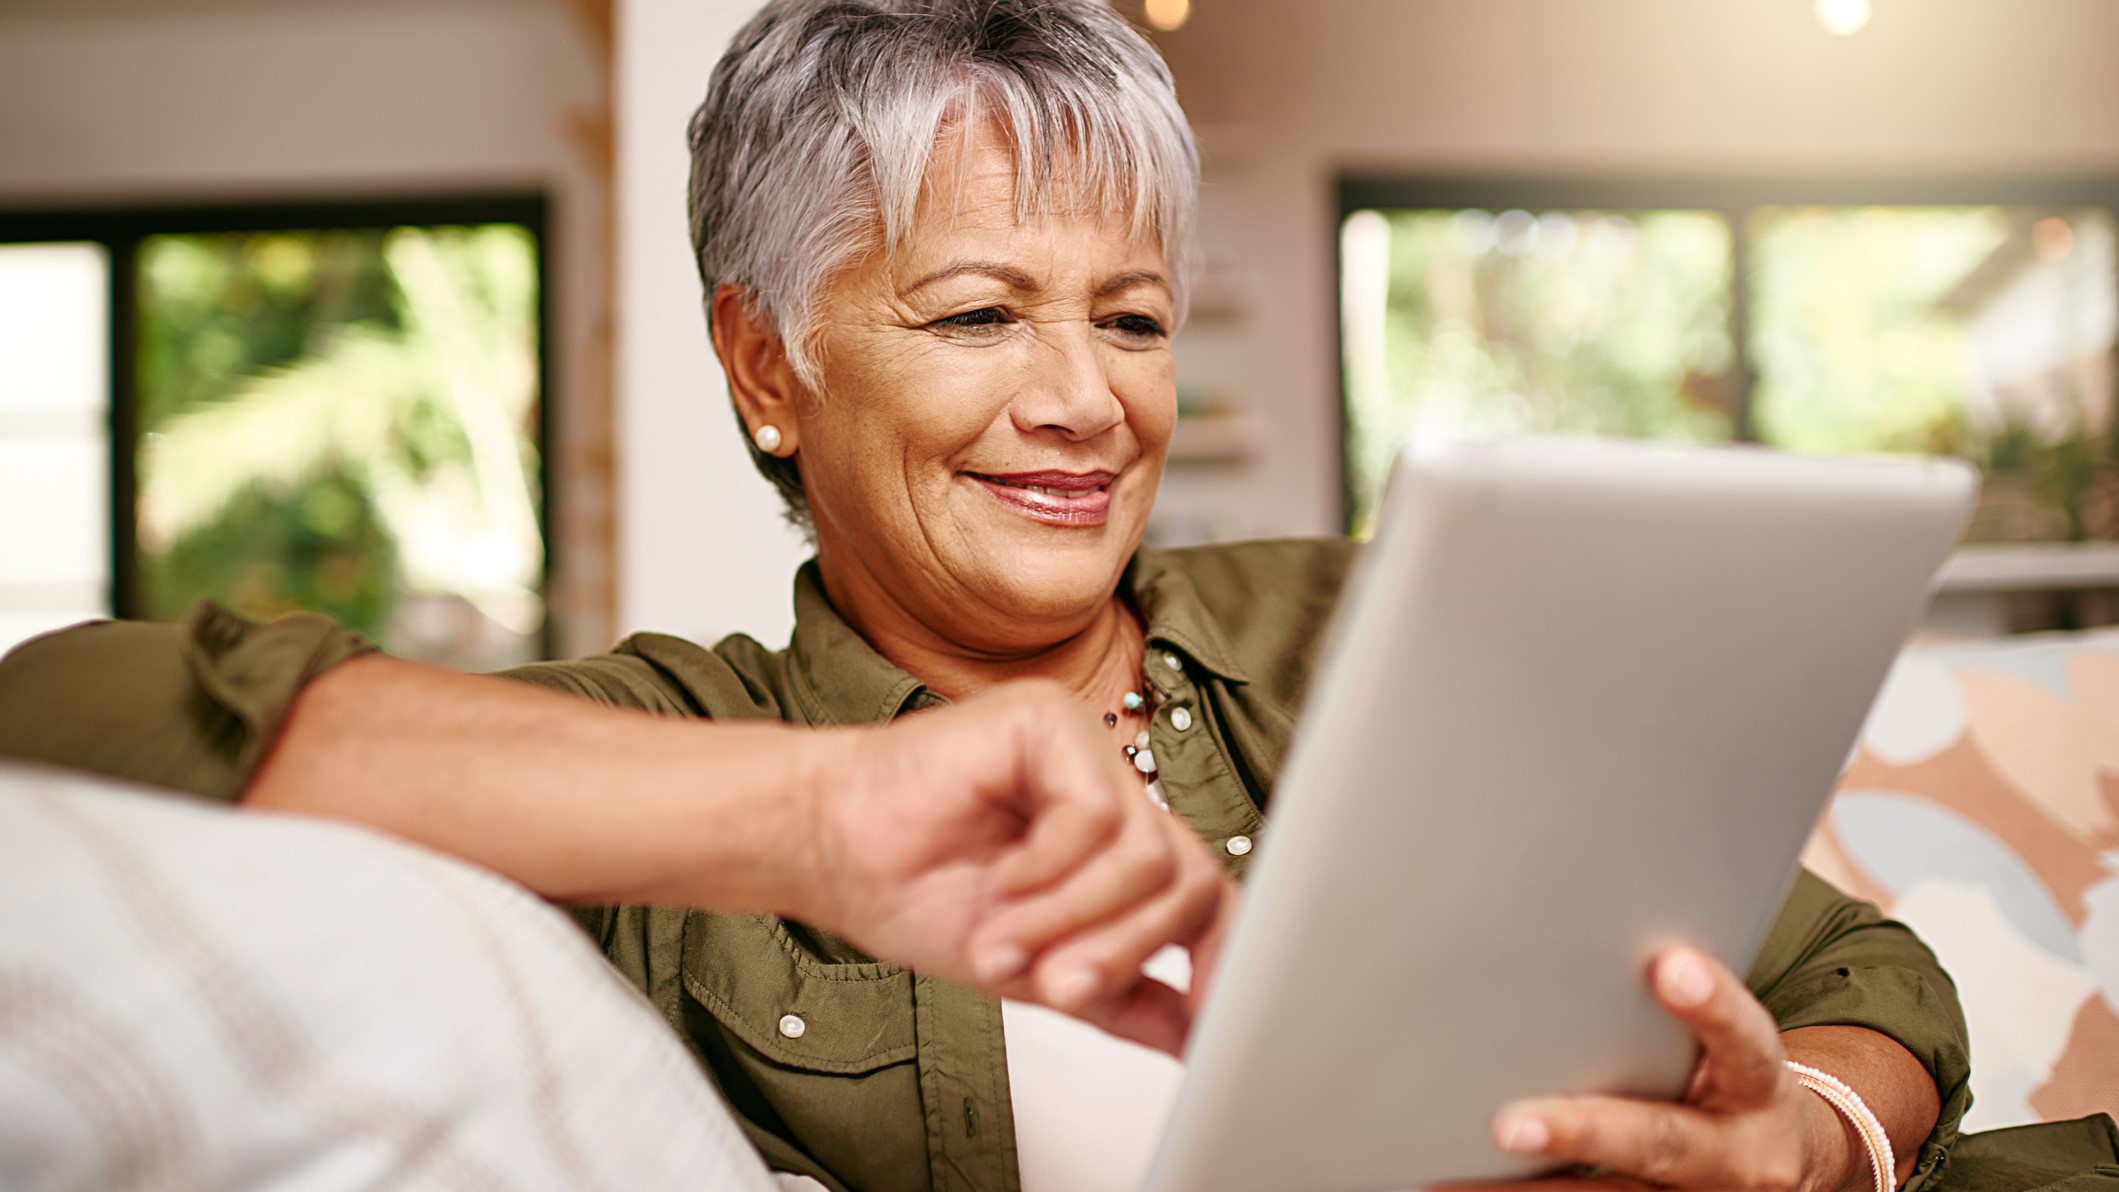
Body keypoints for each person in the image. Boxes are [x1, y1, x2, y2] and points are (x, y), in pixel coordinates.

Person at [4, 2, 2109, 1190]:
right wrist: (817, 816)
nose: (1080, 402)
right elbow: (64, 728)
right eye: (978, 311)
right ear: (766, 365)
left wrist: (1806, 1138)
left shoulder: (1360, 622)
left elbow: (1854, 968)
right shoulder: (682, 747)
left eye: (1125, 315)